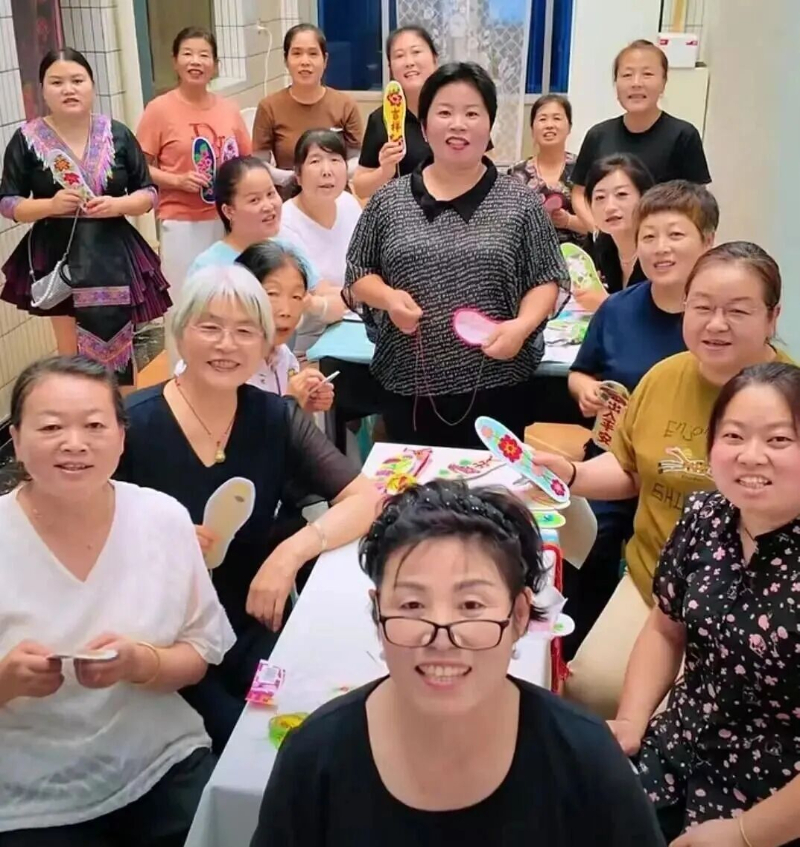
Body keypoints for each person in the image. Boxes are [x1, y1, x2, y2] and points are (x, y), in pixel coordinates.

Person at [250, 480, 666, 846]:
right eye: (412, 605)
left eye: (471, 605)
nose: (441, 635)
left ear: (520, 615)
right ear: (378, 613)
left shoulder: (586, 759)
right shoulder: (315, 758)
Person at [116, 265, 381, 752]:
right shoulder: (130, 425)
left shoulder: (273, 416)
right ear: (180, 332)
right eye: (210, 327)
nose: (226, 345)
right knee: (238, 745)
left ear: (265, 344)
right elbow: (77, 528)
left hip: (252, 620)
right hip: (161, 636)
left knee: (315, 726)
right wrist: (152, 538)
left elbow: (364, 498)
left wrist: (288, 556)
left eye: (245, 331)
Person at [535, 241, 793, 718]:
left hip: (752, 603)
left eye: (738, 311)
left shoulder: (789, 399)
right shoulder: (662, 377)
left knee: (684, 720)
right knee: (587, 692)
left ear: (772, 317)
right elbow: (632, 468)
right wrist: (571, 474)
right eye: (703, 307)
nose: (716, 324)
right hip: (651, 579)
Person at [0, 356, 234, 846]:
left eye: (94, 425)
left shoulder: (163, 518)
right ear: (16, 440)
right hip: (30, 794)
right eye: (51, 427)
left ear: (122, 438)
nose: (74, 443)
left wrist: (140, 663)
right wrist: (6, 682)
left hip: (159, 763)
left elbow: (200, 653)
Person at [611, 362, 800, 846]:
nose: (751, 456)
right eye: (733, 436)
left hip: (774, 798)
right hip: (679, 746)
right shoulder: (704, 515)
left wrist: (742, 834)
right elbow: (664, 628)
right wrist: (631, 722)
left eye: (779, 440)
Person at [344, 62, 570, 449]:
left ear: (490, 124)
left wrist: (520, 327)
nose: (458, 125)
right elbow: (359, 271)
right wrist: (388, 298)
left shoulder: (520, 202)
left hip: (499, 383)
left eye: (472, 113)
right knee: (414, 484)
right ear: (425, 125)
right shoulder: (389, 201)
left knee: (492, 484)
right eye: (445, 112)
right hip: (407, 383)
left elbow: (546, 277)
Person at [564, 181, 719, 659]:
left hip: (686, 474)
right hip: (614, 458)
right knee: (583, 545)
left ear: (708, 241)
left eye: (675, 235)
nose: (660, 248)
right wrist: (584, 389)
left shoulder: (715, 324)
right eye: (648, 236)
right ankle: (577, 650)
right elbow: (582, 371)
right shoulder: (617, 309)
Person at [0, 48, 170, 387]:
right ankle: (77, 410)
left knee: (122, 351)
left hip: (113, 250)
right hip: (57, 254)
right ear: (42, 90)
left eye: (77, 80)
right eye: (57, 82)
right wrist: (50, 206)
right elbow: (7, 203)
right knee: (69, 352)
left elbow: (148, 193)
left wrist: (118, 205)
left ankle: (120, 415)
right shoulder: (26, 140)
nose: (68, 89)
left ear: (92, 85)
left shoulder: (118, 133)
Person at [136, 26, 252, 365]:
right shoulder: (159, 109)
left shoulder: (229, 109)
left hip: (228, 222)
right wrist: (175, 180)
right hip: (181, 222)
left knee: (229, 299)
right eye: (187, 54)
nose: (195, 61)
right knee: (185, 303)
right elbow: (139, 167)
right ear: (175, 61)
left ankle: (226, 368)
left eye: (204, 55)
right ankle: (181, 373)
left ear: (215, 64)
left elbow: (246, 162)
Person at [187, 155, 343, 357]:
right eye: (254, 200)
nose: (269, 205)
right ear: (229, 211)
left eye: (271, 193)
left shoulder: (286, 249)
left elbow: (334, 300)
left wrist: (314, 304)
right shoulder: (208, 267)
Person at [571, 39, 711, 232]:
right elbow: (579, 193)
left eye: (647, 74)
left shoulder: (683, 135)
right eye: (627, 75)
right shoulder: (598, 135)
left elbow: (697, 201)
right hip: (606, 243)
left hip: (659, 243)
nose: (636, 83)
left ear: (663, 83)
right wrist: (599, 229)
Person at [252, 24, 363, 183]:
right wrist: (294, 178)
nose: (305, 61)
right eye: (297, 53)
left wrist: (325, 175)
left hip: (334, 191)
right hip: (288, 193)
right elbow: (259, 163)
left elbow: (357, 159)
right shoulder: (268, 107)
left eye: (313, 53)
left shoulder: (346, 105)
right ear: (286, 60)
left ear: (325, 60)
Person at [235, 240, 335, 412]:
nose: (286, 311)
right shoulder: (225, 362)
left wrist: (305, 403)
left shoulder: (283, 357)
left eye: (296, 296)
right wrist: (290, 402)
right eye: (272, 294)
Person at [353, 25, 439, 200]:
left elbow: (483, 166)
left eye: (416, 52)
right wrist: (384, 171)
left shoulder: (457, 109)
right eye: (399, 56)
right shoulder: (381, 119)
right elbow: (360, 188)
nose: (409, 62)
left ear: (434, 58)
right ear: (390, 67)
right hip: (403, 213)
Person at [281, 129, 363, 286]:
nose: (327, 171)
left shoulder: (348, 202)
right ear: (298, 175)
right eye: (315, 161)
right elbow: (313, 287)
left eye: (335, 160)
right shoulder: (285, 222)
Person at [507, 94, 589, 245]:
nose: (549, 125)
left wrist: (568, 221)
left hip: (579, 257)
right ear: (532, 128)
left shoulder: (585, 168)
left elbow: (600, 226)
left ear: (569, 127)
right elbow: (509, 226)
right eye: (542, 119)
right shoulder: (516, 173)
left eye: (557, 118)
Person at [583, 154, 654, 307]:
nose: (610, 207)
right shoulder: (603, 245)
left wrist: (607, 304)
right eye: (600, 198)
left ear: (644, 197)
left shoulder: (658, 249)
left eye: (621, 194)